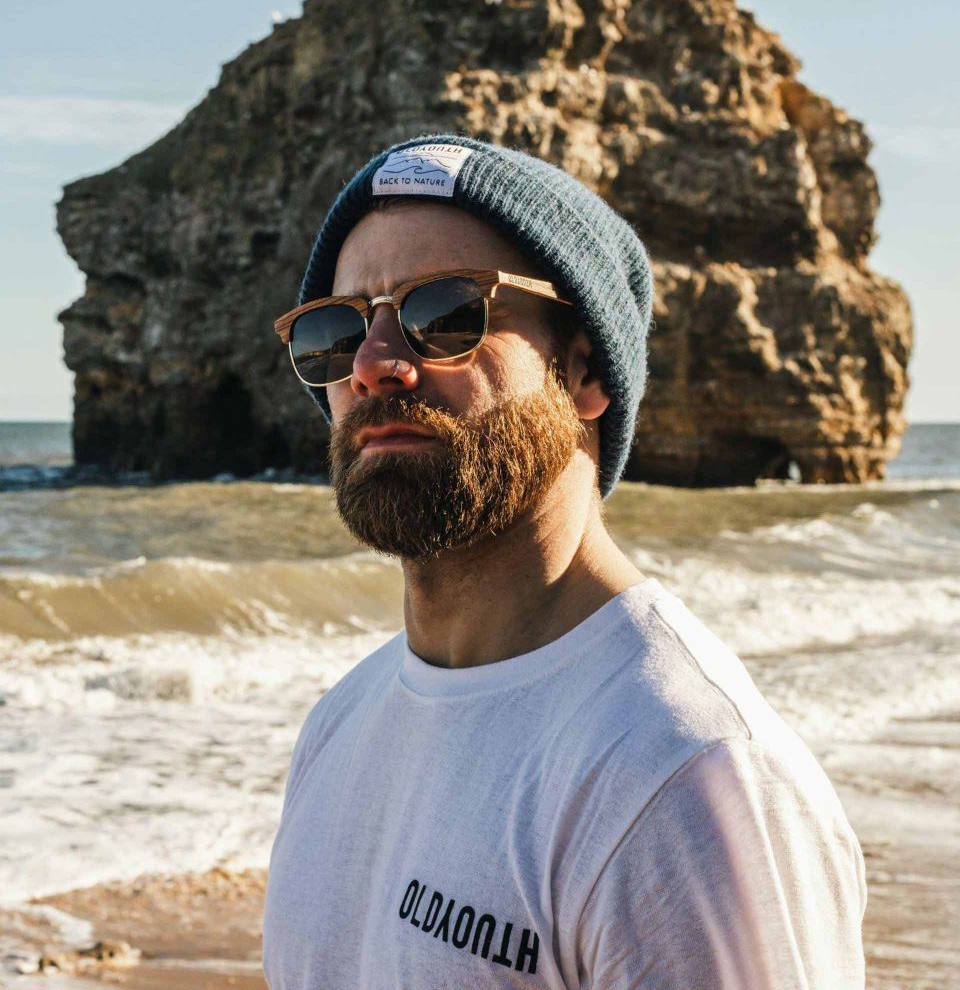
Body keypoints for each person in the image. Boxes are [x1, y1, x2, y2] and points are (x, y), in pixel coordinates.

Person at [262, 134, 867, 988]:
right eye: (335, 331)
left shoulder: (686, 775)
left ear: (584, 369)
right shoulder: (337, 729)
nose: (375, 366)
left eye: (443, 315)